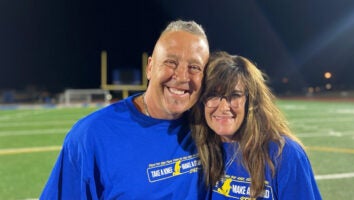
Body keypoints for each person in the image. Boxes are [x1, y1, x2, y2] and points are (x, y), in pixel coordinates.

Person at [40, 20, 210, 199]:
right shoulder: (91, 135)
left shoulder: (209, 129)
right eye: (171, 62)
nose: (182, 76)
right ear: (150, 67)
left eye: (194, 67)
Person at [190, 51, 322, 199]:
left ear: (252, 101)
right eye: (212, 95)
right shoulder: (201, 149)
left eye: (235, 95)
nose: (223, 107)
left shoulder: (284, 154)